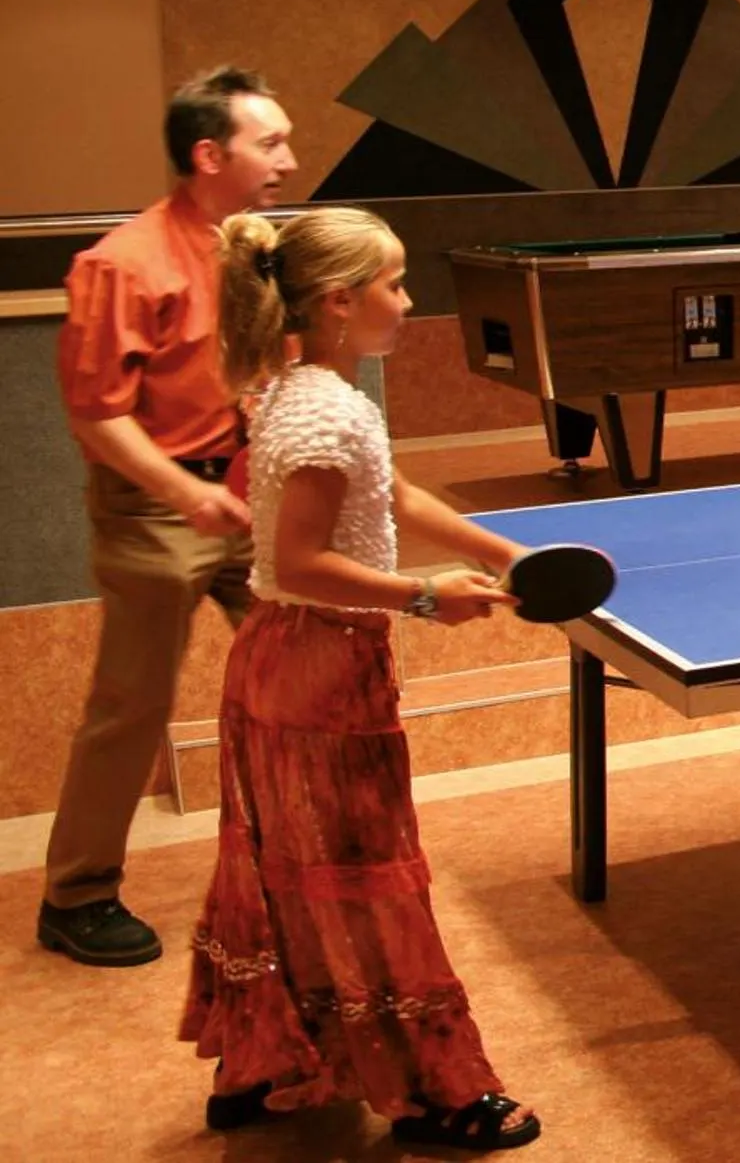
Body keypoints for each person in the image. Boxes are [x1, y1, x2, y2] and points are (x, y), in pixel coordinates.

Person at [179, 206, 542, 1151]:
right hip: (321, 664)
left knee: (283, 868)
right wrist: (423, 595)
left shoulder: (304, 390)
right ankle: (435, 1090)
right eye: (395, 282)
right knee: (363, 874)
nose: (410, 300)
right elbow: (299, 561)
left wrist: (501, 549)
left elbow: (393, 493)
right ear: (340, 301)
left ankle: (267, 1063)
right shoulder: (325, 411)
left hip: (278, 656)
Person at [40, 68, 296, 967]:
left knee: (302, 671)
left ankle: (300, 858)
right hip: (158, 507)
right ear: (209, 154)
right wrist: (190, 494)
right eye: (271, 142)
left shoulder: (255, 248)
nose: (288, 160)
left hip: (249, 492)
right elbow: (96, 415)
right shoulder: (122, 263)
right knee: (133, 702)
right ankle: (76, 895)